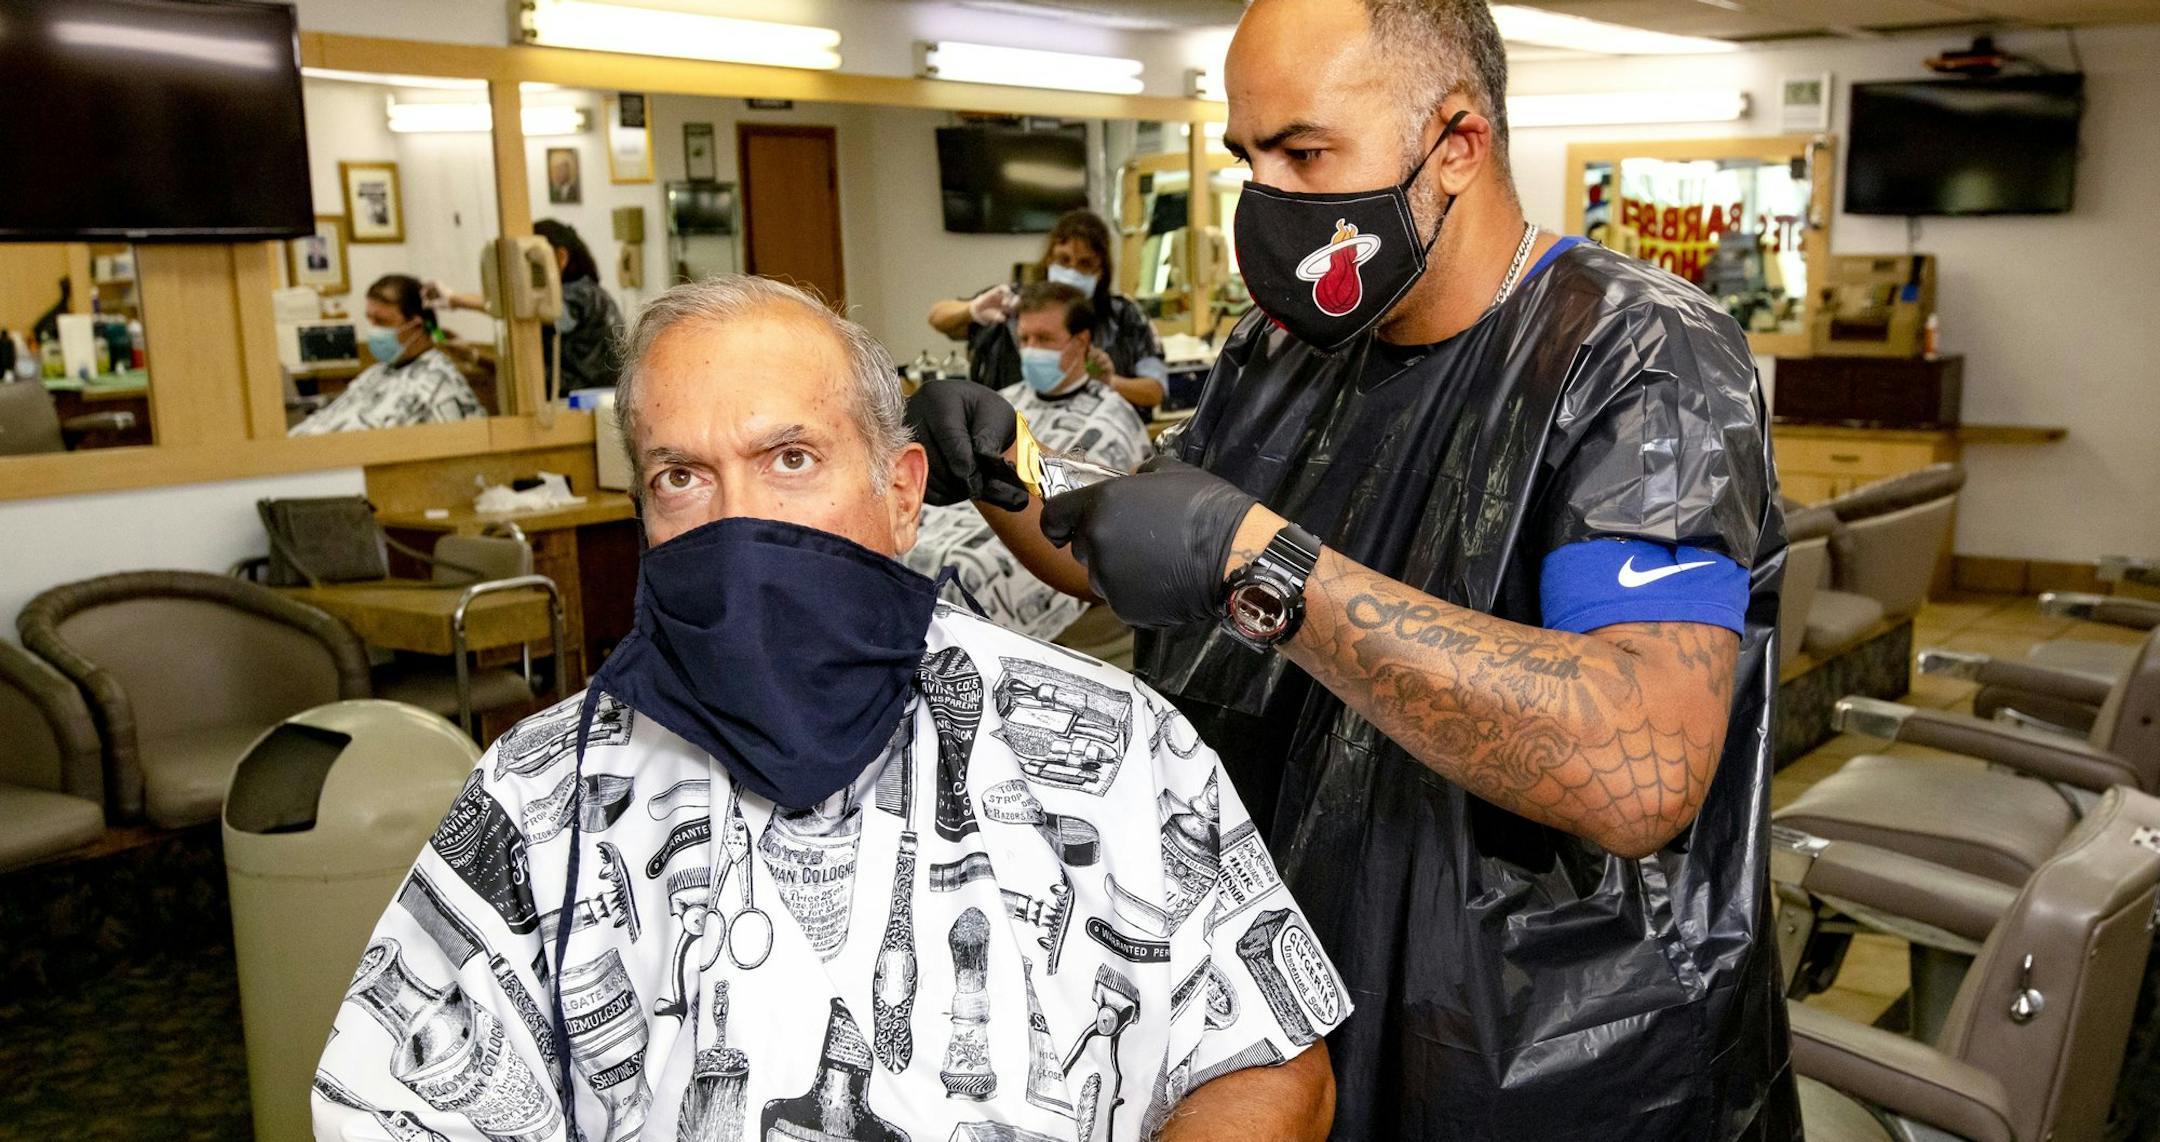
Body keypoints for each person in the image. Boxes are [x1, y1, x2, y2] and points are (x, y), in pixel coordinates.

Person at [902, 0, 1797, 1138]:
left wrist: (1259, 563)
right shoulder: (1285, 350)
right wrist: (1010, 475)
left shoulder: (1635, 357)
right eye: (1249, 159)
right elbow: (1150, 563)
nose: (1268, 200)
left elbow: (1637, 765)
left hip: (1546, 1050)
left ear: (1457, 147)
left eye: (1306, 152)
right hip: (1294, 997)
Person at [314, 275, 1345, 1142]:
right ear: (643, 508)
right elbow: (388, 1098)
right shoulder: (539, 790)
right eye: (683, 476)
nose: (741, 521)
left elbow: (1272, 1068)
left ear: (903, 492)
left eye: (790, 460)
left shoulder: (1106, 743)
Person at [904, 281, 1152, 641]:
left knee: (968, 570)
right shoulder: (998, 401)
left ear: (1081, 342)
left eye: (1045, 339)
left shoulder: (1113, 418)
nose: (1032, 351)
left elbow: (1089, 520)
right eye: (1025, 340)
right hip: (953, 528)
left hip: (1019, 552)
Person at [928, 209, 1171, 411]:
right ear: (1049, 260)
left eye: (1085, 264)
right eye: (1064, 260)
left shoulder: (1125, 316)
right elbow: (938, 316)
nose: (1072, 271)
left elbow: (1154, 391)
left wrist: (1107, 381)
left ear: (1101, 270)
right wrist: (972, 309)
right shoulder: (1013, 305)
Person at [432, 219, 625, 392]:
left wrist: (455, 299)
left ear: (559, 258)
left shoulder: (582, 295)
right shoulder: (586, 295)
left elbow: (538, 310)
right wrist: (474, 356)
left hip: (585, 409)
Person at [290, 274, 483, 436]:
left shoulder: (439, 385)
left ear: (416, 326)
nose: (373, 330)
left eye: (381, 322)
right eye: (370, 320)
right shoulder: (378, 373)